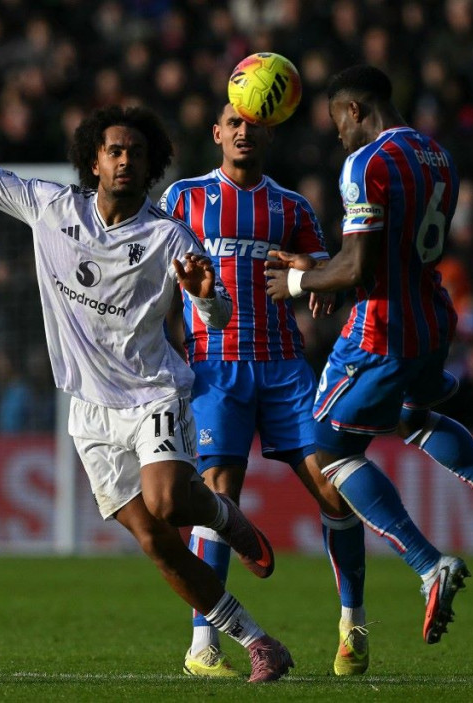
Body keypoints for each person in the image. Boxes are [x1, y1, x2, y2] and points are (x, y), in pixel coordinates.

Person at [0, 58, 293, 683]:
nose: (125, 160)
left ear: (150, 163)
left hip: (154, 393)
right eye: (114, 151)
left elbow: (214, 320)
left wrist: (206, 294)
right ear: (94, 161)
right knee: (157, 542)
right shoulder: (50, 209)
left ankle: (224, 518)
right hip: (88, 408)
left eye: (136, 151)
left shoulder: (170, 236)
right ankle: (257, 639)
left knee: (167, 502)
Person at [266, 65, 473, 645]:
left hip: (381, 331)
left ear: (354, 110)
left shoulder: (366, 162)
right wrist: (322, 270)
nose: (337, 137)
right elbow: (385, 251)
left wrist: (297, 286)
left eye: (336, 124)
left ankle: (429, 565)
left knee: (328, 454)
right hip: (431, 320)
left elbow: (360, 267)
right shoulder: (437, 156)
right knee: (411, 418)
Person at [160, 103, 369, 677]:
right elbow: (149, 269)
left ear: (267, 132)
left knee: (333, 488)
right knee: (217, 495)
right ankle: (204, 646)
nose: (243, 131)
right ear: (217, 133)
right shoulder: (183, 199)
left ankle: (354, 625)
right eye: (233, 123)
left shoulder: (292, 206)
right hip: (213, 368)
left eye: (253, 124)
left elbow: (325, 273)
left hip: (283, 369)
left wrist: (318, 279)